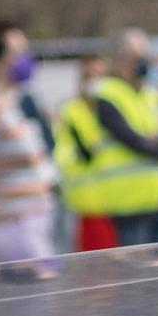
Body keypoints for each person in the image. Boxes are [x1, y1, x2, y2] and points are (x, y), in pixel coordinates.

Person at [0, 17, 58, 264]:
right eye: (17, 52)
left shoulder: (12, 103)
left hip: (29, 224)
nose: (25, 59)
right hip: (8, 228)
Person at [89, 28, 158, 246]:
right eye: (137, 57)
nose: (143, 63)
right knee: (136, 272)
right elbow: (131, 139)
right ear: (120, 60)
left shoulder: (150, 93)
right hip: (127, 203)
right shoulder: (107, 94)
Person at [56, 54, 118, 250]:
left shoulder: (114, 107)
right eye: (89, 75)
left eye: (99, 75)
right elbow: (62, 153)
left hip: (116, 199)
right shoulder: (70, 110)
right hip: (86, 202)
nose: (95, 81)